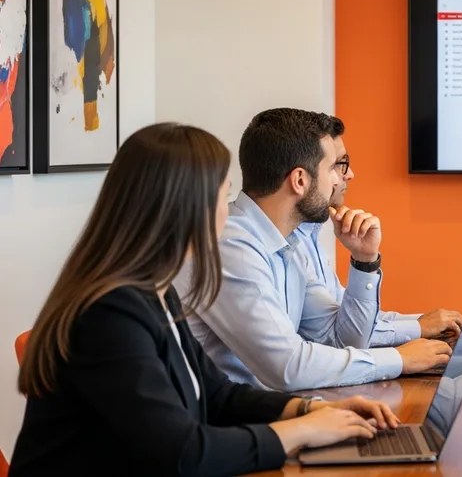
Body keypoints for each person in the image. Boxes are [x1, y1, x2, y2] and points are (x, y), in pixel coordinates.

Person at [10, 124, 400, 477]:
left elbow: (218, 394)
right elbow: (183, 454)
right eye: (222, 197)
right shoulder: (110, 314)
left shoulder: (153, 292)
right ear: (183, 208)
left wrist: (313, 410)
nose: (226, 212)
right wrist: (303, 430)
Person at [178, 109, 460, 392]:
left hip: (269, 411)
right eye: (332, 169)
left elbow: (340, 340)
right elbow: (287, 368)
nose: (339, 180)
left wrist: (364, 261)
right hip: (228, 424)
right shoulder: (231, 246)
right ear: (300, 180)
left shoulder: (291, 244)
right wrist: (399, 360)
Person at [293, 118, 462, 346]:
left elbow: (348, 321)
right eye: (337, 165)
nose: (347, 174)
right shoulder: (279, 243)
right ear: (301, 179)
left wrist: (421, 323)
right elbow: (338, 336)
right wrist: (416, 333)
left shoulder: (307, 235)